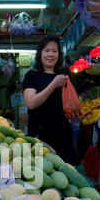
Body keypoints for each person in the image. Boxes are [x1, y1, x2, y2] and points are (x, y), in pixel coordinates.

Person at [22, 35, 78, 165]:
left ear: (59, 54)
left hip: (63, 135)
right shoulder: (32, 76)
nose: (50, 54)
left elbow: (70, 102)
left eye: (54, 51)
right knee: (42, 175)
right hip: (40, 136)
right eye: (47, 51)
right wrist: (53, 84)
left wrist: (74, 113)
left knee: (68, 173)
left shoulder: (64, 76)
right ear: (40, 53)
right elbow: (31, 103)